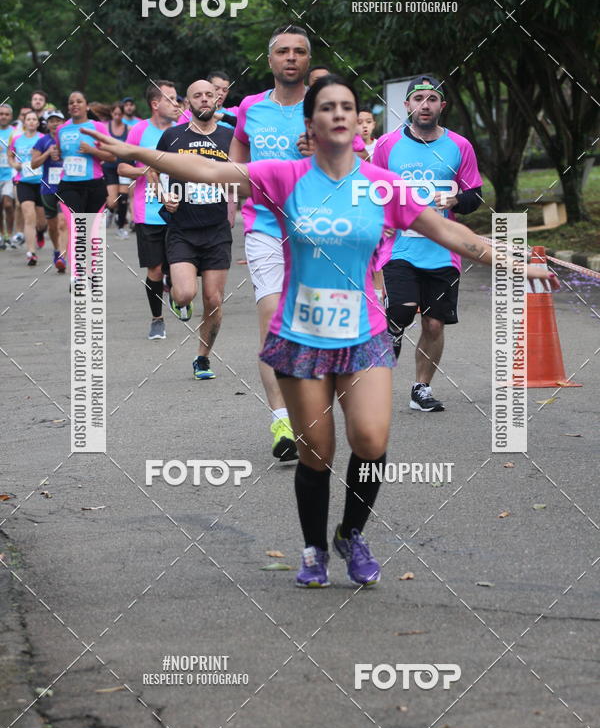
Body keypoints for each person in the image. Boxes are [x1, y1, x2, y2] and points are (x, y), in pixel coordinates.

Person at [85, 74, 556, 588]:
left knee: (371, 441)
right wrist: (134, 150)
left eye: (346, 107)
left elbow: (452, 233)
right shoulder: (283, 176)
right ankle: (312, 549)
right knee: (316, 452)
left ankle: (351, 534)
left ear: (357, 122)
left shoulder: (381, 183)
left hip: (364, 335)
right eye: (326, 107)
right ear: (310, 122)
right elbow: (205, 168)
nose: (337, 113)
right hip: (302, 335)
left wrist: (516, 260)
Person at [373, 75, 483, 412]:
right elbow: (371, 190)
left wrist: (455, 202)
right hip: (400, 248)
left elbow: (474, 195)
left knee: (434, 323)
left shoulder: (459, 146)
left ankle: (421, 388)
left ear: (442, 106)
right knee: (402, 311)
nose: (425, 104)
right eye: (418, 98)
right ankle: (391, 332)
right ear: (407, 105)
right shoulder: (386, 146)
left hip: (443, 250)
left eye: (432, 99)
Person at [229, 24, 313, 462]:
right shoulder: (249, 107)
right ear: (270, 60)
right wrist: (238, 189)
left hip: (316, 232)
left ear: (308, 60)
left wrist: (320, 148)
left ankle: (311, 412)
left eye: (299, 51)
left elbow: (355, 163)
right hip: (263, 227)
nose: (291, 58)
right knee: (272, 323)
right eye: (283, 51)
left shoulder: (323, 108)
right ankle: (281, 421)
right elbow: (237, 155)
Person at [157, 80, 234, 379]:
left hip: (216, 230)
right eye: (197, 96)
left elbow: (244, 173)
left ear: (217, 100)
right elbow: (155, 168)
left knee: (213, 300)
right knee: (187, 293)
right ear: (187, 103)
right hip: (182, 228)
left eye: (209, 95)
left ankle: (202, 358)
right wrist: (164, 195)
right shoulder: (173, 136)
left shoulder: (230, 138)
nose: (204, 100)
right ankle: (177, 296)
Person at [116, 80, 179, 340]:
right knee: (155, 269)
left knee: (178, 266)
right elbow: (121, 168)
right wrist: (145, 169)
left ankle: (178, 292)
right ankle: (157, 319)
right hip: (149, 211)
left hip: (180, 209)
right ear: (155, 104)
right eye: (171, 99)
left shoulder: (184, 130)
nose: (177, 104)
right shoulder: (138, 131)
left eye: (178, 98)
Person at [55, 92, 113, 280]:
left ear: (87, 106)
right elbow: (60, 154)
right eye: (71, 102)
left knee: (92, 230)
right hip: (69, 185)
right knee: (77, 227)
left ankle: (92, 272)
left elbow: (111, 156)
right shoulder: (61, 130)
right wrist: (55, 155)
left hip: (94, 185)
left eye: (79, 101)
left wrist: (92, 151)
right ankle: (78, 274)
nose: (74, 105)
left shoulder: (97, 127)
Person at [30, 110, 67, 272]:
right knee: (52, 227)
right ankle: (57, 250)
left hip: (66, 187)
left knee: (62, 222)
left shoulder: (68, 140)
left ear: (63, 123)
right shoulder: (42, 141)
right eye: (51, 121)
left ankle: (63, 258)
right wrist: (47, 153)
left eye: (57, 121)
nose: (54, 124)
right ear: (47, 124)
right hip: (47, 188)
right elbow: (33, 164)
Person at [9, 110, 46, 265]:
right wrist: (14, 165)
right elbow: (10, 155)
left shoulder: (43, 139)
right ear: (24, 122)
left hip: (42, 182)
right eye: (28, 119)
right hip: (23, 182)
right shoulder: (17, 139)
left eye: (34, 119)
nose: (31, 121)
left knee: (42, 222)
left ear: (37, 123)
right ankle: (31, 252)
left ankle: (40, 233)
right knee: (29, 217)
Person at [307, 66, 369, 158]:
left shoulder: (343, 114)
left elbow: (366, 157)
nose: (322, 85)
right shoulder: (297, 110)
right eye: (317, 81)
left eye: (326, 80)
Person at [101, 102, 129, 233]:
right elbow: (99, 144)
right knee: (112, 201)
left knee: (123, 197)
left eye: (120, 114)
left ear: (123, 115)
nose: (117, 116)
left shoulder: (128, 129)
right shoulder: (105, 128)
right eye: (115, 114)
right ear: (111, 114)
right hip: (109, 166)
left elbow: (132, 147)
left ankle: (121, 227)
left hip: (123, 166)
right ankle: (111, 210)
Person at [0, 104, 16, 249]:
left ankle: (10, 235)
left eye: (6, 114)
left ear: (10, 116)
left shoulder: (15, 133)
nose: (3, 116)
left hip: (9, 175)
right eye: (1, 114)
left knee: (8, 205)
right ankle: (2, 235)